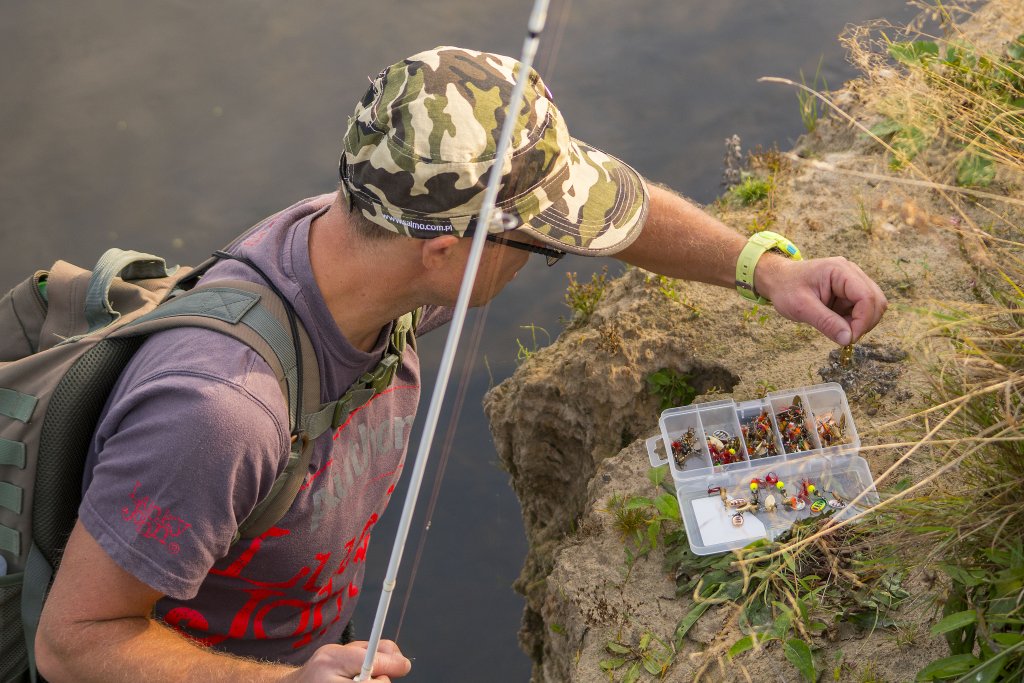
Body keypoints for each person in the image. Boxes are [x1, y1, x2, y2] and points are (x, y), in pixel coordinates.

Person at [35, 46, 886, 682]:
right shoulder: (219, 413)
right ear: (446, 253)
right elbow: (76, 641)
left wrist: (766, 269)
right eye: (539, 246)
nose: (550, 253)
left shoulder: (373, 240)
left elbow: (617, 218)